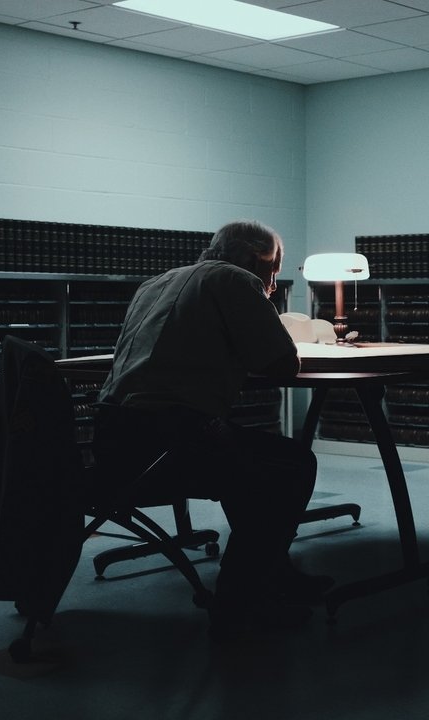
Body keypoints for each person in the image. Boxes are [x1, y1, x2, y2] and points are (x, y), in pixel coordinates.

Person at [91, 219, 331, 638]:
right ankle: (241, 601)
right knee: (291, 464)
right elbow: (281, 364)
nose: (273, 281)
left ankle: (272, 573)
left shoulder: (156, 282)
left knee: (244, 459)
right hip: (169, 441)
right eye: (275, 269)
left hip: (113, 441)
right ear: (257, 259)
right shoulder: (236, 279)